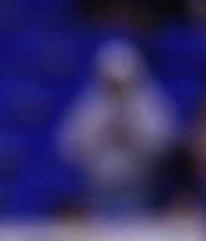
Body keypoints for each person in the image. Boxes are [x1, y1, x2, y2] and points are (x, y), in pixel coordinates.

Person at [57, 40, 177, 217]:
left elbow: (164, 143)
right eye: (111, 80)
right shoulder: (91, 104)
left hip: (139, 185)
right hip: (97, 187)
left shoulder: (149, 102)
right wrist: (102, 132)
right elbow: (68, 145)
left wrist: (132, 133)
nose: (116, 86)